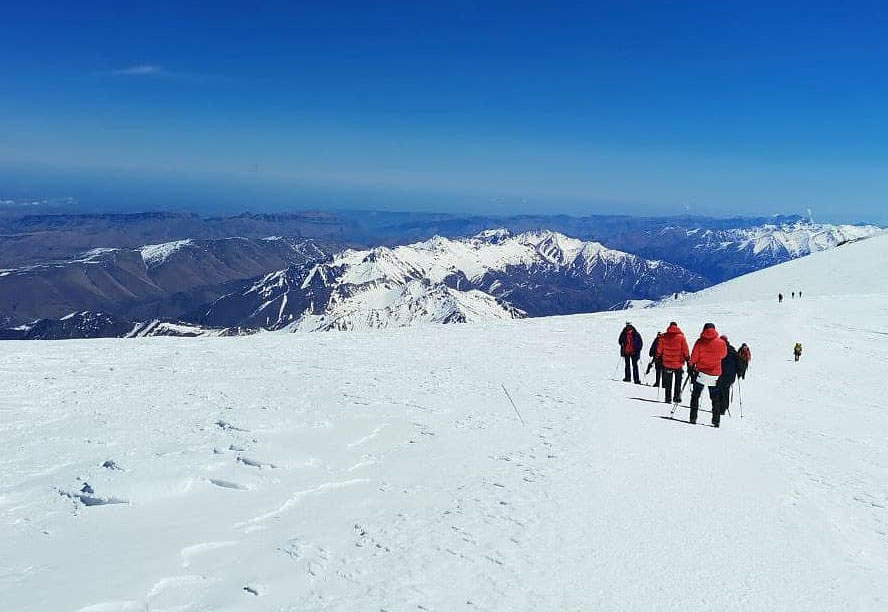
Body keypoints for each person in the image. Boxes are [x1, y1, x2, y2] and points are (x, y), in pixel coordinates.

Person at [689, 323, 728, 427]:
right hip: (714, 375)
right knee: (715, 398)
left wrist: (691, 365)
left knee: (695, 396)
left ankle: (693, 418)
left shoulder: (699, 342)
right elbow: (724, 355)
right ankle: (716, 421)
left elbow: (694, 357)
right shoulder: (721, 343)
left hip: (701, 373)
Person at [656, 322, 690, 404]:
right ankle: (676, 397)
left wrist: (657, 357)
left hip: (667, 363)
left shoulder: (663, 337)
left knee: (668, 382)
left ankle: (668, 398)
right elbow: (685, 349)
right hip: (678, 364)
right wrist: (688, 359)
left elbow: (659, 350)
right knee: (678, 381)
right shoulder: (681, 337)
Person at [715, 336, 740, 416]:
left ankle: (718, 407)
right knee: (726, 390)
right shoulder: (732, 351)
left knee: (718, 390)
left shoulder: (718, 349)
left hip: (720, 373)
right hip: (730, 376)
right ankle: (724, 408)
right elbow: (738, 363)